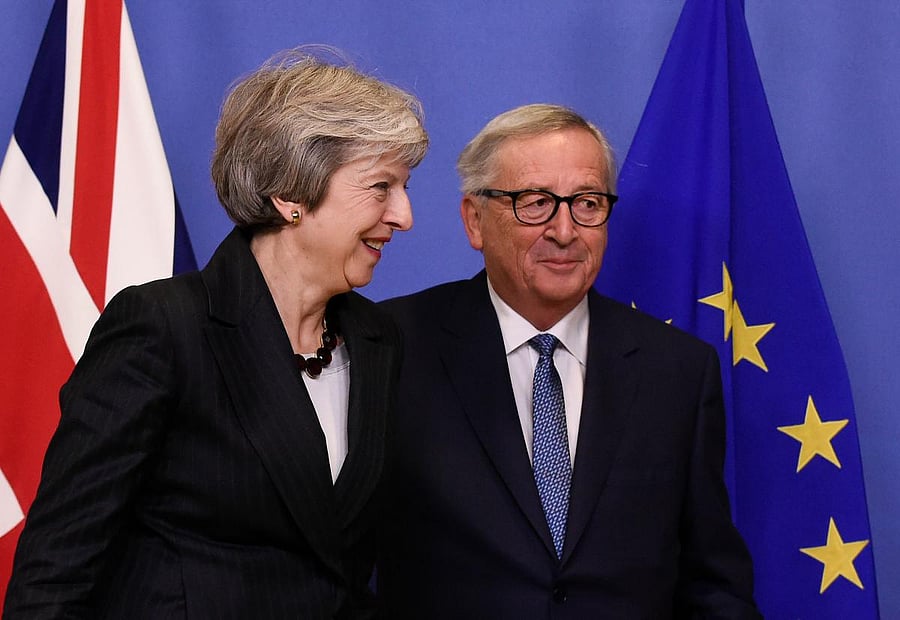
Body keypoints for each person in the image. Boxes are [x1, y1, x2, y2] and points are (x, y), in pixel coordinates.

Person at [3, 47, 428, 619]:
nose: (404, 215)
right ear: (292, 196)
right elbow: (57, 564)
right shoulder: (163, 327)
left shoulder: (376, 339)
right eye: (381, 187)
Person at [377, 104, 760, 618]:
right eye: (535, 203)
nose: (564, 230)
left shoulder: (680, 371)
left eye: (586, 203)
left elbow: (712, 585)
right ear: (475, 220)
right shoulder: (390, 346)